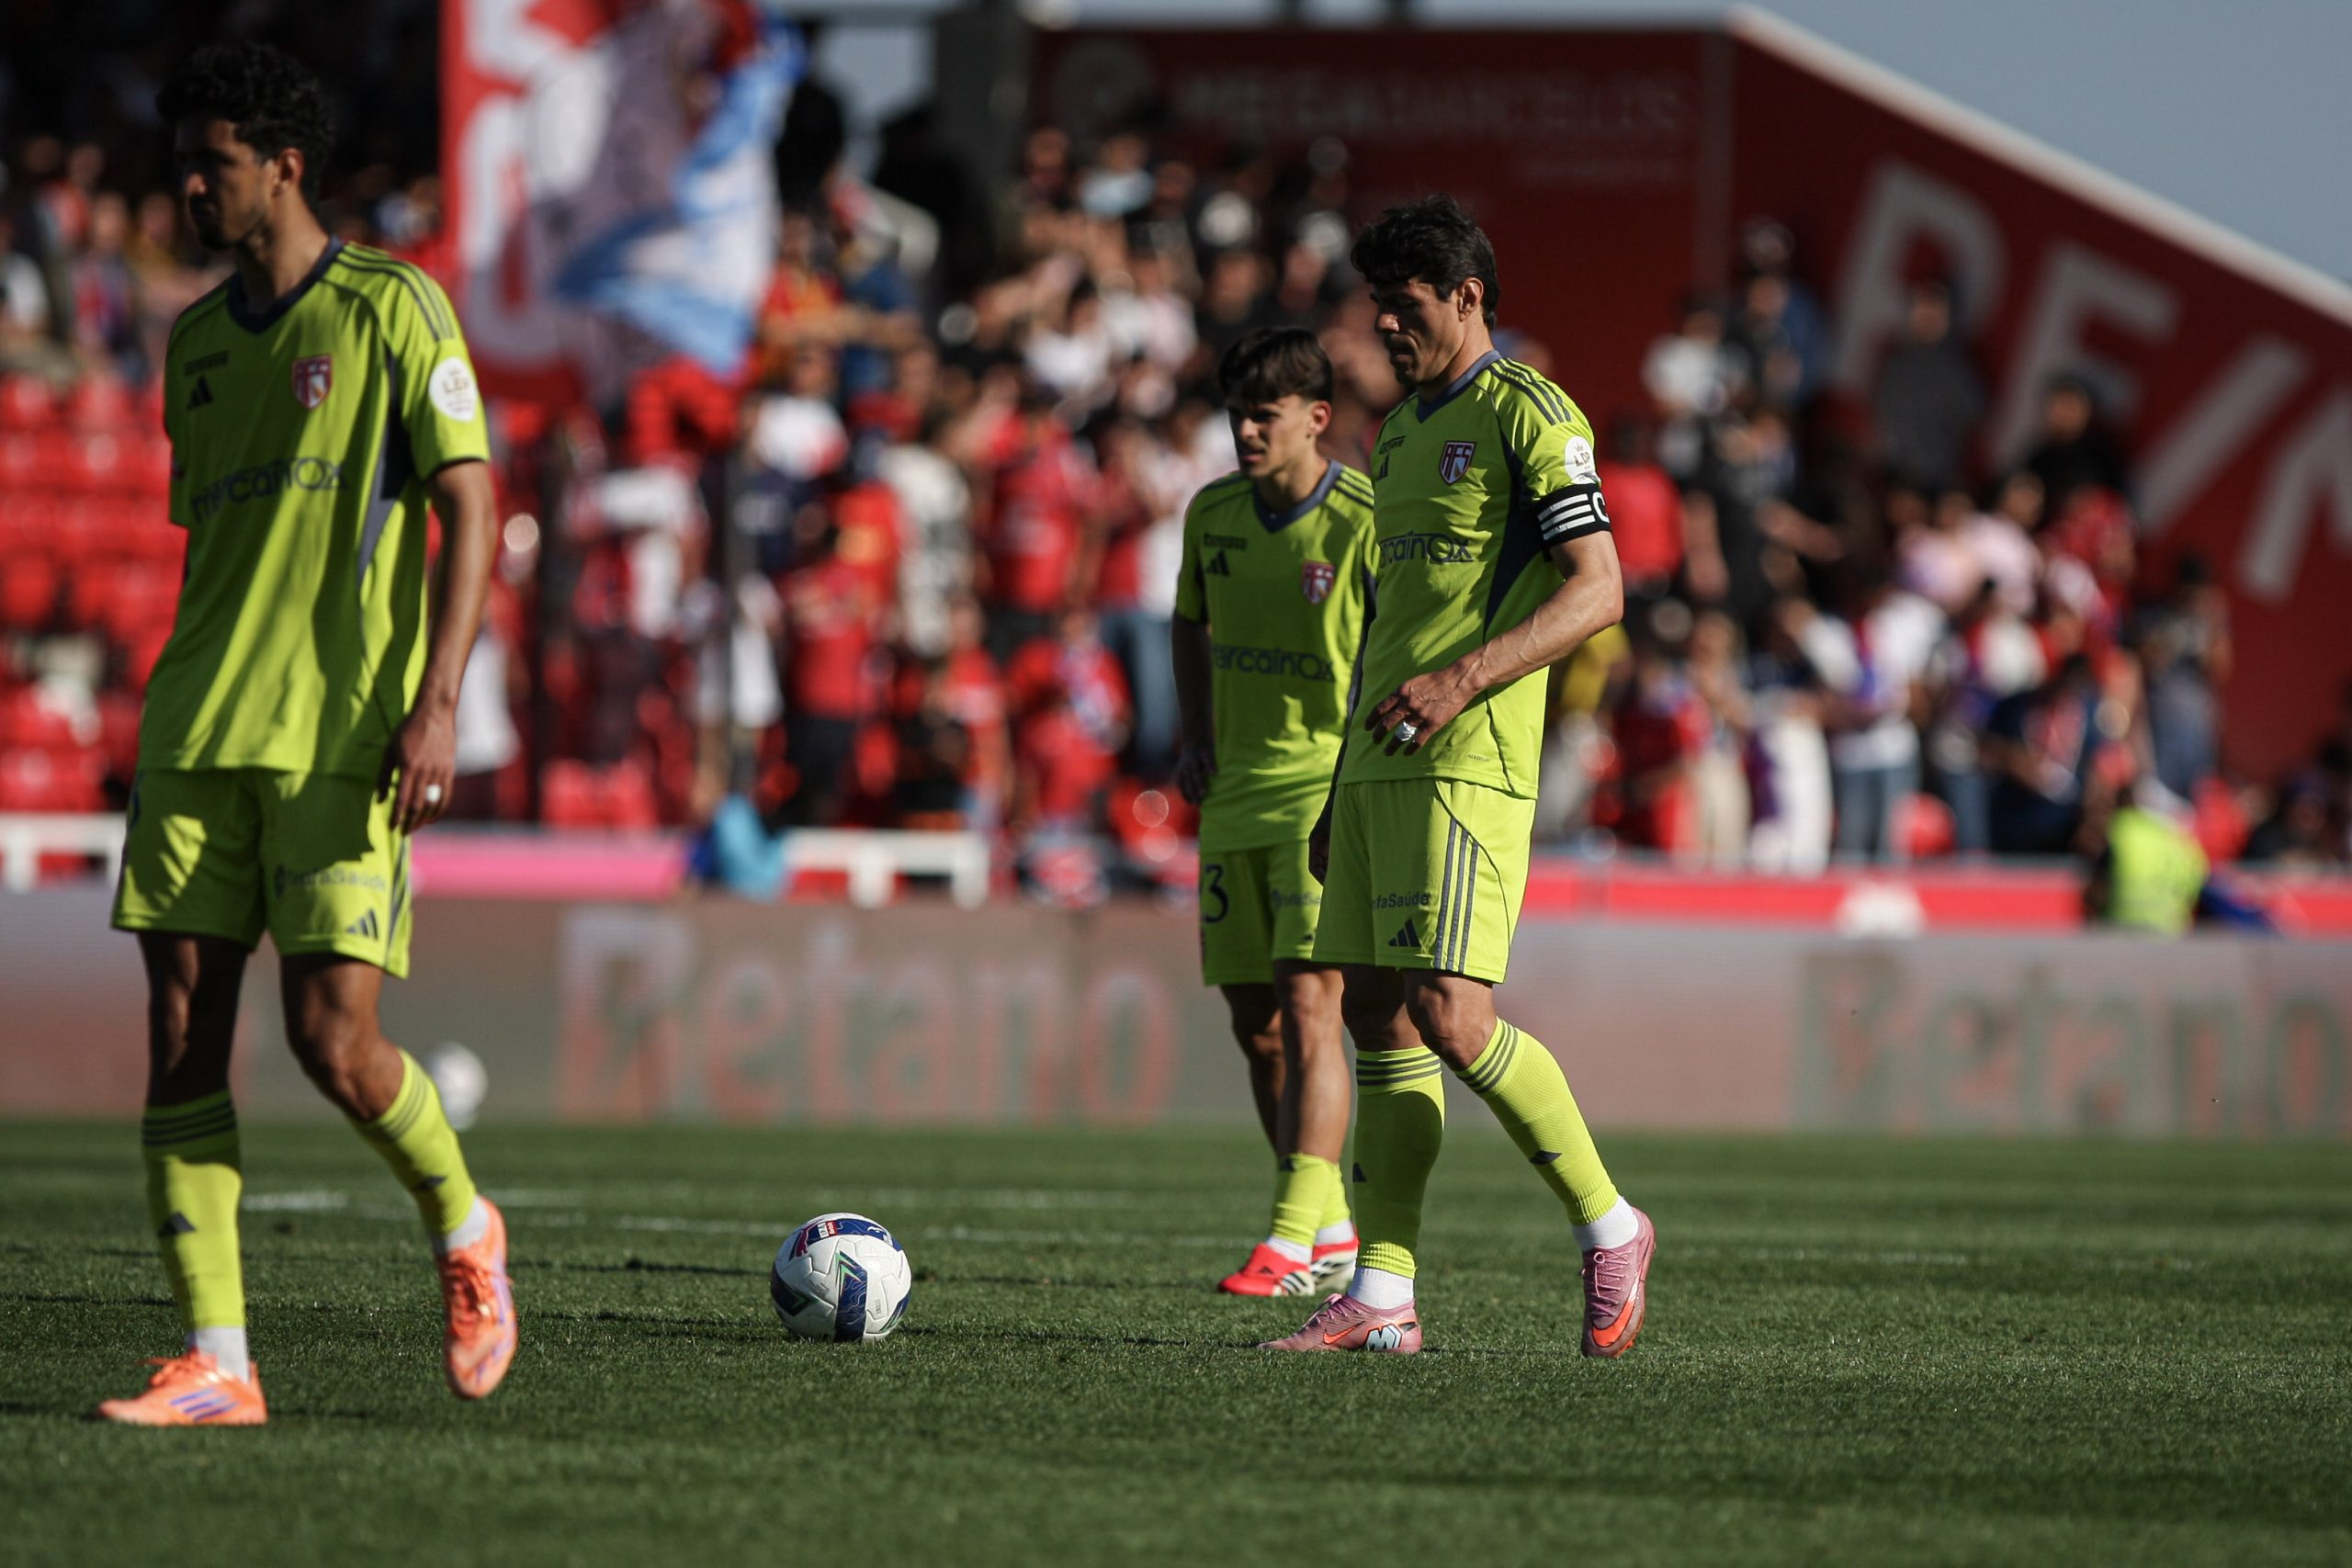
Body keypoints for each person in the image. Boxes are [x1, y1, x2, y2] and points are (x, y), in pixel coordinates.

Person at [99, 43, 514, 1426]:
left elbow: (467, 500)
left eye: (208, 163)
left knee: (334, 1043)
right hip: (198, 727)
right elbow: (220, 549)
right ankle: (220, 1356)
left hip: (341, 736)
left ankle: (463, 1223)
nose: (188, 189)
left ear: (281, 164)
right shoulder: (197, 344)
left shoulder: (396, 307)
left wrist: (440, 693)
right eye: (183, 165)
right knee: (179, 1033)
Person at [1264, 196, 1653, 1359]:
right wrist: (1340, 780)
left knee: (1448, 1010)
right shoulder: (1402, 428)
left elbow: (1598, 589)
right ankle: (1382, 1293)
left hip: (1468, 758)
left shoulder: (1530, 411)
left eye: (1407, 303)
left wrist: (1462, 683)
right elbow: (1394, 622)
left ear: (1468, 296)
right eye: (1374, 304)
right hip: (1380, 764)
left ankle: (1610, 1223)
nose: (1384, 323)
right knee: (1376, 1013)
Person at [1169, 327, 1374, 1298]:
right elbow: (1186, 621)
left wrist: (1358, 786)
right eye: (1237, 414)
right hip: (1234, 797)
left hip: (1318, 793)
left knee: (1310, 1008)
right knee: (1255, 1027)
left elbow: (1389, 659)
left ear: (1315, 419)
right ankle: (1329, 1228)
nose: (1246, 431)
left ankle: (1289, 1238)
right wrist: (1191, 729)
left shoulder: (1364, 520)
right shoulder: (1210, 515)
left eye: (1265, 414)